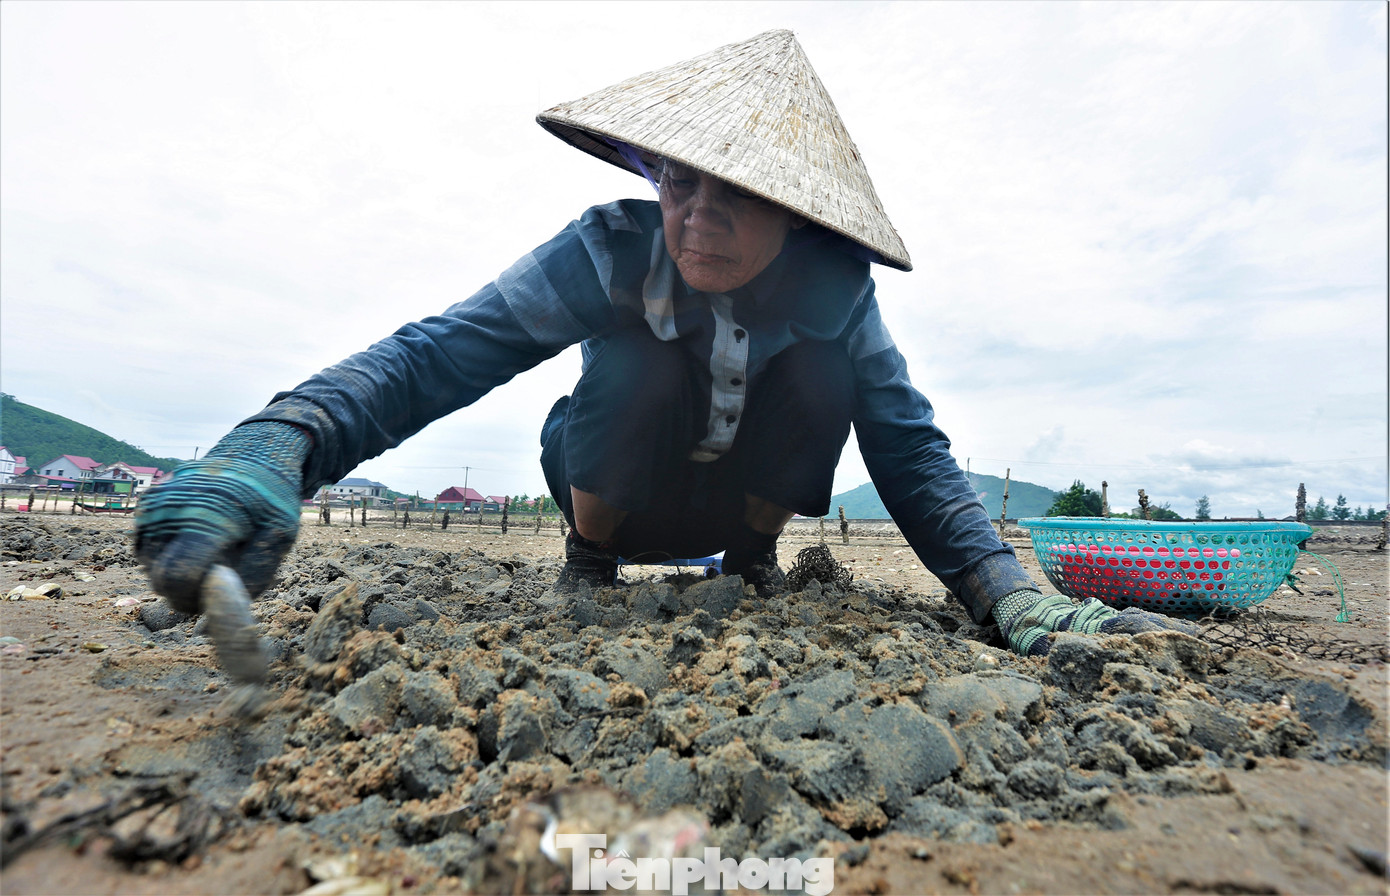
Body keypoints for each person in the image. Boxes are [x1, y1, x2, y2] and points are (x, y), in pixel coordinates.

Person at [134, 30, 1196, 657]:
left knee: (828, 380)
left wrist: (1005, 591)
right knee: (635, 360)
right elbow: (439, 352)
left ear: (801, 217)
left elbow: (911, 451)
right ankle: (589, 559)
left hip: (735, 507)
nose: (696, 220)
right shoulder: (606, 252)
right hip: (615, 488)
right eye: (680, 184)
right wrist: (287, 434)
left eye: (736, 197)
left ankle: (751, 558)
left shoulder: (836, 293)